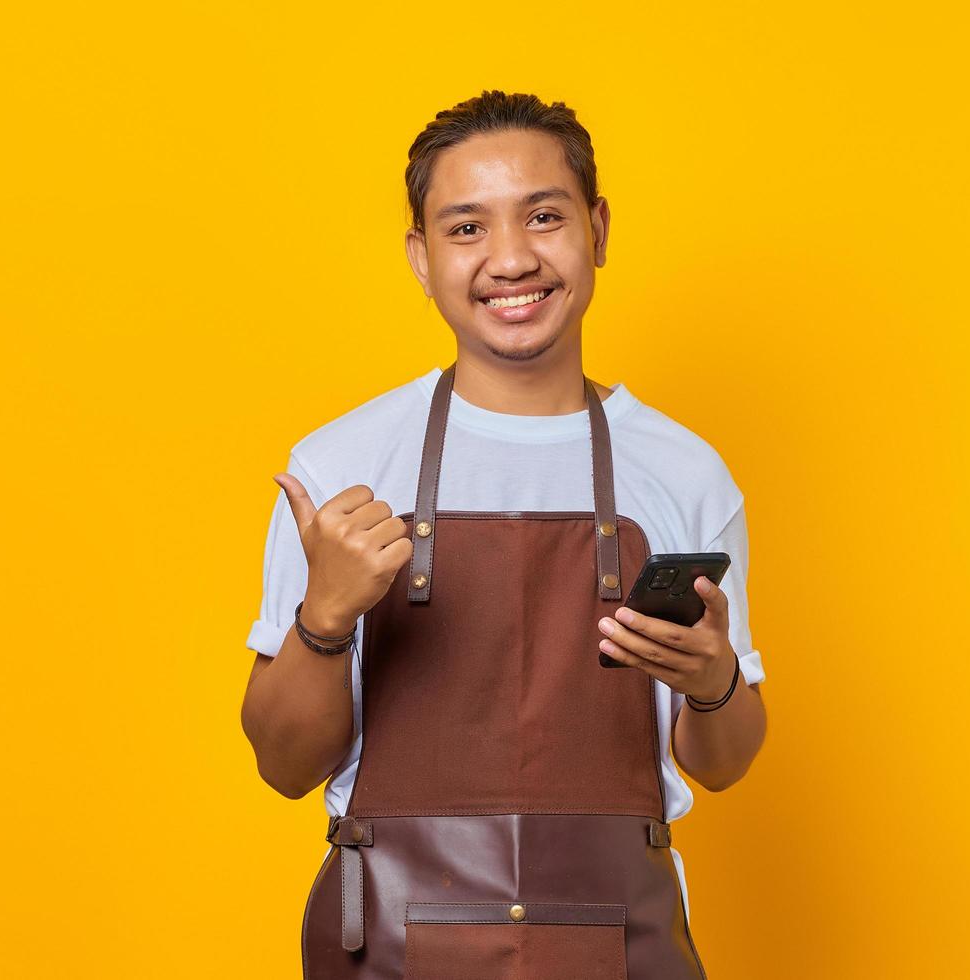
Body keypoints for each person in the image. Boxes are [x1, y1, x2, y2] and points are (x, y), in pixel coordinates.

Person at [240, 90, 767, 979]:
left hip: (621, 946)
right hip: (393, 948)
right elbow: (283, 767)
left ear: (597, 230)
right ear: (421, 256)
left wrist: (714, 683)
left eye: (545, 216)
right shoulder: (343, 465)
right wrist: (323, 621)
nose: (512, 258)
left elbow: (723, 764)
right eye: (467, 229)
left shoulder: (683, 471)